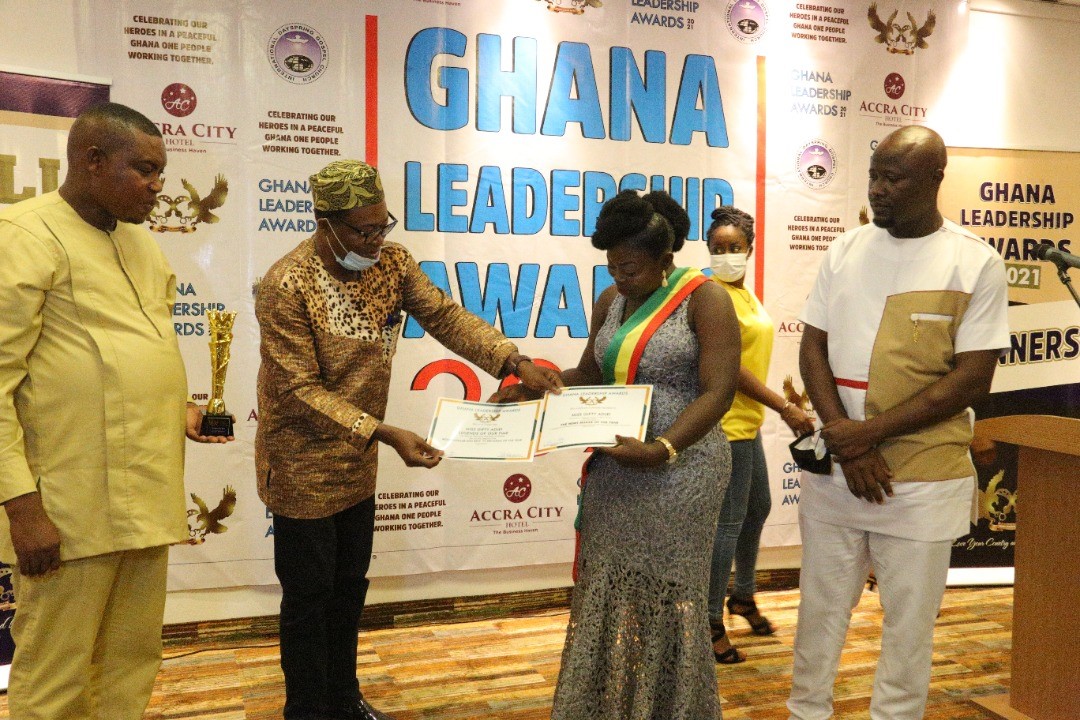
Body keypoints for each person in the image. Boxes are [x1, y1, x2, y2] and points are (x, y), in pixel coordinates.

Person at [254, 160, 562, 720]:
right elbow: (298, 389)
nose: (376, 240)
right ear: (325, 224)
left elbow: (446, 317)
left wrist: (514, 361)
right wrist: (384, 432)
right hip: (301, 463)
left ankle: (345, 698)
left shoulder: (393, 264)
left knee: (350, 587)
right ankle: (306, 710)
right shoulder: (286, 284)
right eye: (362, 231)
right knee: (308, 598)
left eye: (383, 225)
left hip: (358, 459)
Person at [0, 102, 231, 720]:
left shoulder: (142, 245)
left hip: (146, 496)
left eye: (161, 172)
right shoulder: (22, 236)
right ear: (93, 160)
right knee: (56, 677)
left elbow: (133, 356)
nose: (158, 186)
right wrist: (23, 509)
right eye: (144, 170)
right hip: (67, 506)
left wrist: (181, 410)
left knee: (130, 665)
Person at [786, 125, 1010, 720]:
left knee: (909, 630)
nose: (878, 189)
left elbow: (972, 379)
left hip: (922, 482)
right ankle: (806, 711)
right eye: (874, 175)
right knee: (818, 616)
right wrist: (850, 443)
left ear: (935, 179)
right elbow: (812, 350)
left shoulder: (975, 262)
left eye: (894, 177)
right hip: (839, 472)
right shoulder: (846, 250)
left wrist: (869, 436)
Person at [495, 190, 741, 718]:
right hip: (617, 468)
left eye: (629, 269)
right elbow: (590, 374)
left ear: (665, 258)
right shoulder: (611, 300)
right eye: (612, 267)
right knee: (606, 592)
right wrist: (533, 389)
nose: (619, 278)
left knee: (669, 599)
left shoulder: (706, 300)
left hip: (683, 470)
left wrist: (662, 448)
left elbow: (719, 391)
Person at [704, 207, 815, 664]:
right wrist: (785, 406)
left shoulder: (743, 295)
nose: (726, 255)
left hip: (746, 423)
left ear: (749, 249)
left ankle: (743, 596)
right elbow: (730, 367)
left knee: (758, 508)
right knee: (728, 523)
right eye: (717, 248)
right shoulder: (713, 296)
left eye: (734, 247)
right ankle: (709, 622)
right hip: (724, 424)